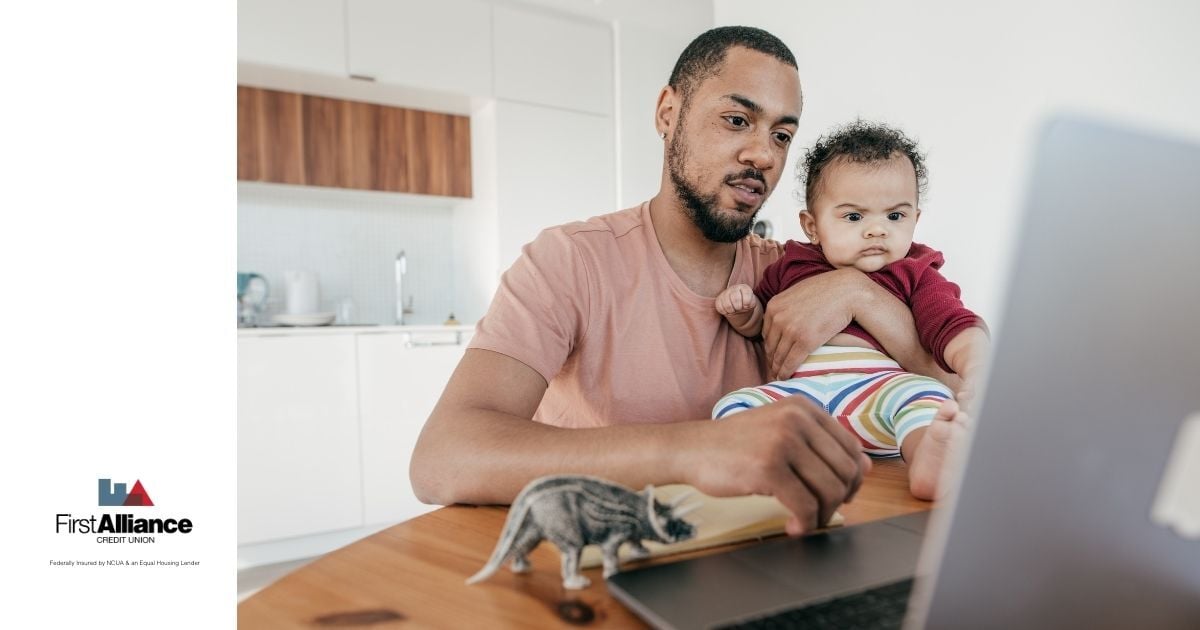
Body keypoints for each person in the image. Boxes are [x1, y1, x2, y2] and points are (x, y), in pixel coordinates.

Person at [410, 27, 957, 535]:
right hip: (606, 557)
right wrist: (696, 449)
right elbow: (443, 456)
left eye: (782, 135)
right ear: (668, 113)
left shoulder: (798, 273)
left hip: (766, 555)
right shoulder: (570, 261)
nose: (763, 155)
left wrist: (857, 293)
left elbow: (951, 400)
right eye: (737, 120)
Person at [713, 121, 988, 499]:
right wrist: (745, 314)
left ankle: (930, 460)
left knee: (926, 397)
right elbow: (765, 325)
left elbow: (952, 325)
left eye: (895, 216)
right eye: (854, 217)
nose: (877, 230)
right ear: (812, 226)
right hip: (800, 400)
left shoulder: (915, 272)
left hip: (881, 394)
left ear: (915, 219)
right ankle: (749, 467)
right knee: (737, 404)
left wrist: (977, 368)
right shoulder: (792, 265)